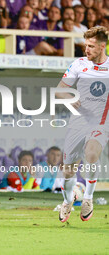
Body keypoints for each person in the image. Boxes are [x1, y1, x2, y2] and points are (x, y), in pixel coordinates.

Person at [56, 26, 109, 222]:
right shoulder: (78, 64)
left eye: (91, 46)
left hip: (101, 123)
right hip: (78, 122)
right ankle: (68, 201)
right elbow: (59, 90)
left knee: (92, 153)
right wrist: (69, 98)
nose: (86, 49)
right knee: (68, 169)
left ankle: (88, 197)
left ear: (102, 46)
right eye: (85, 45)